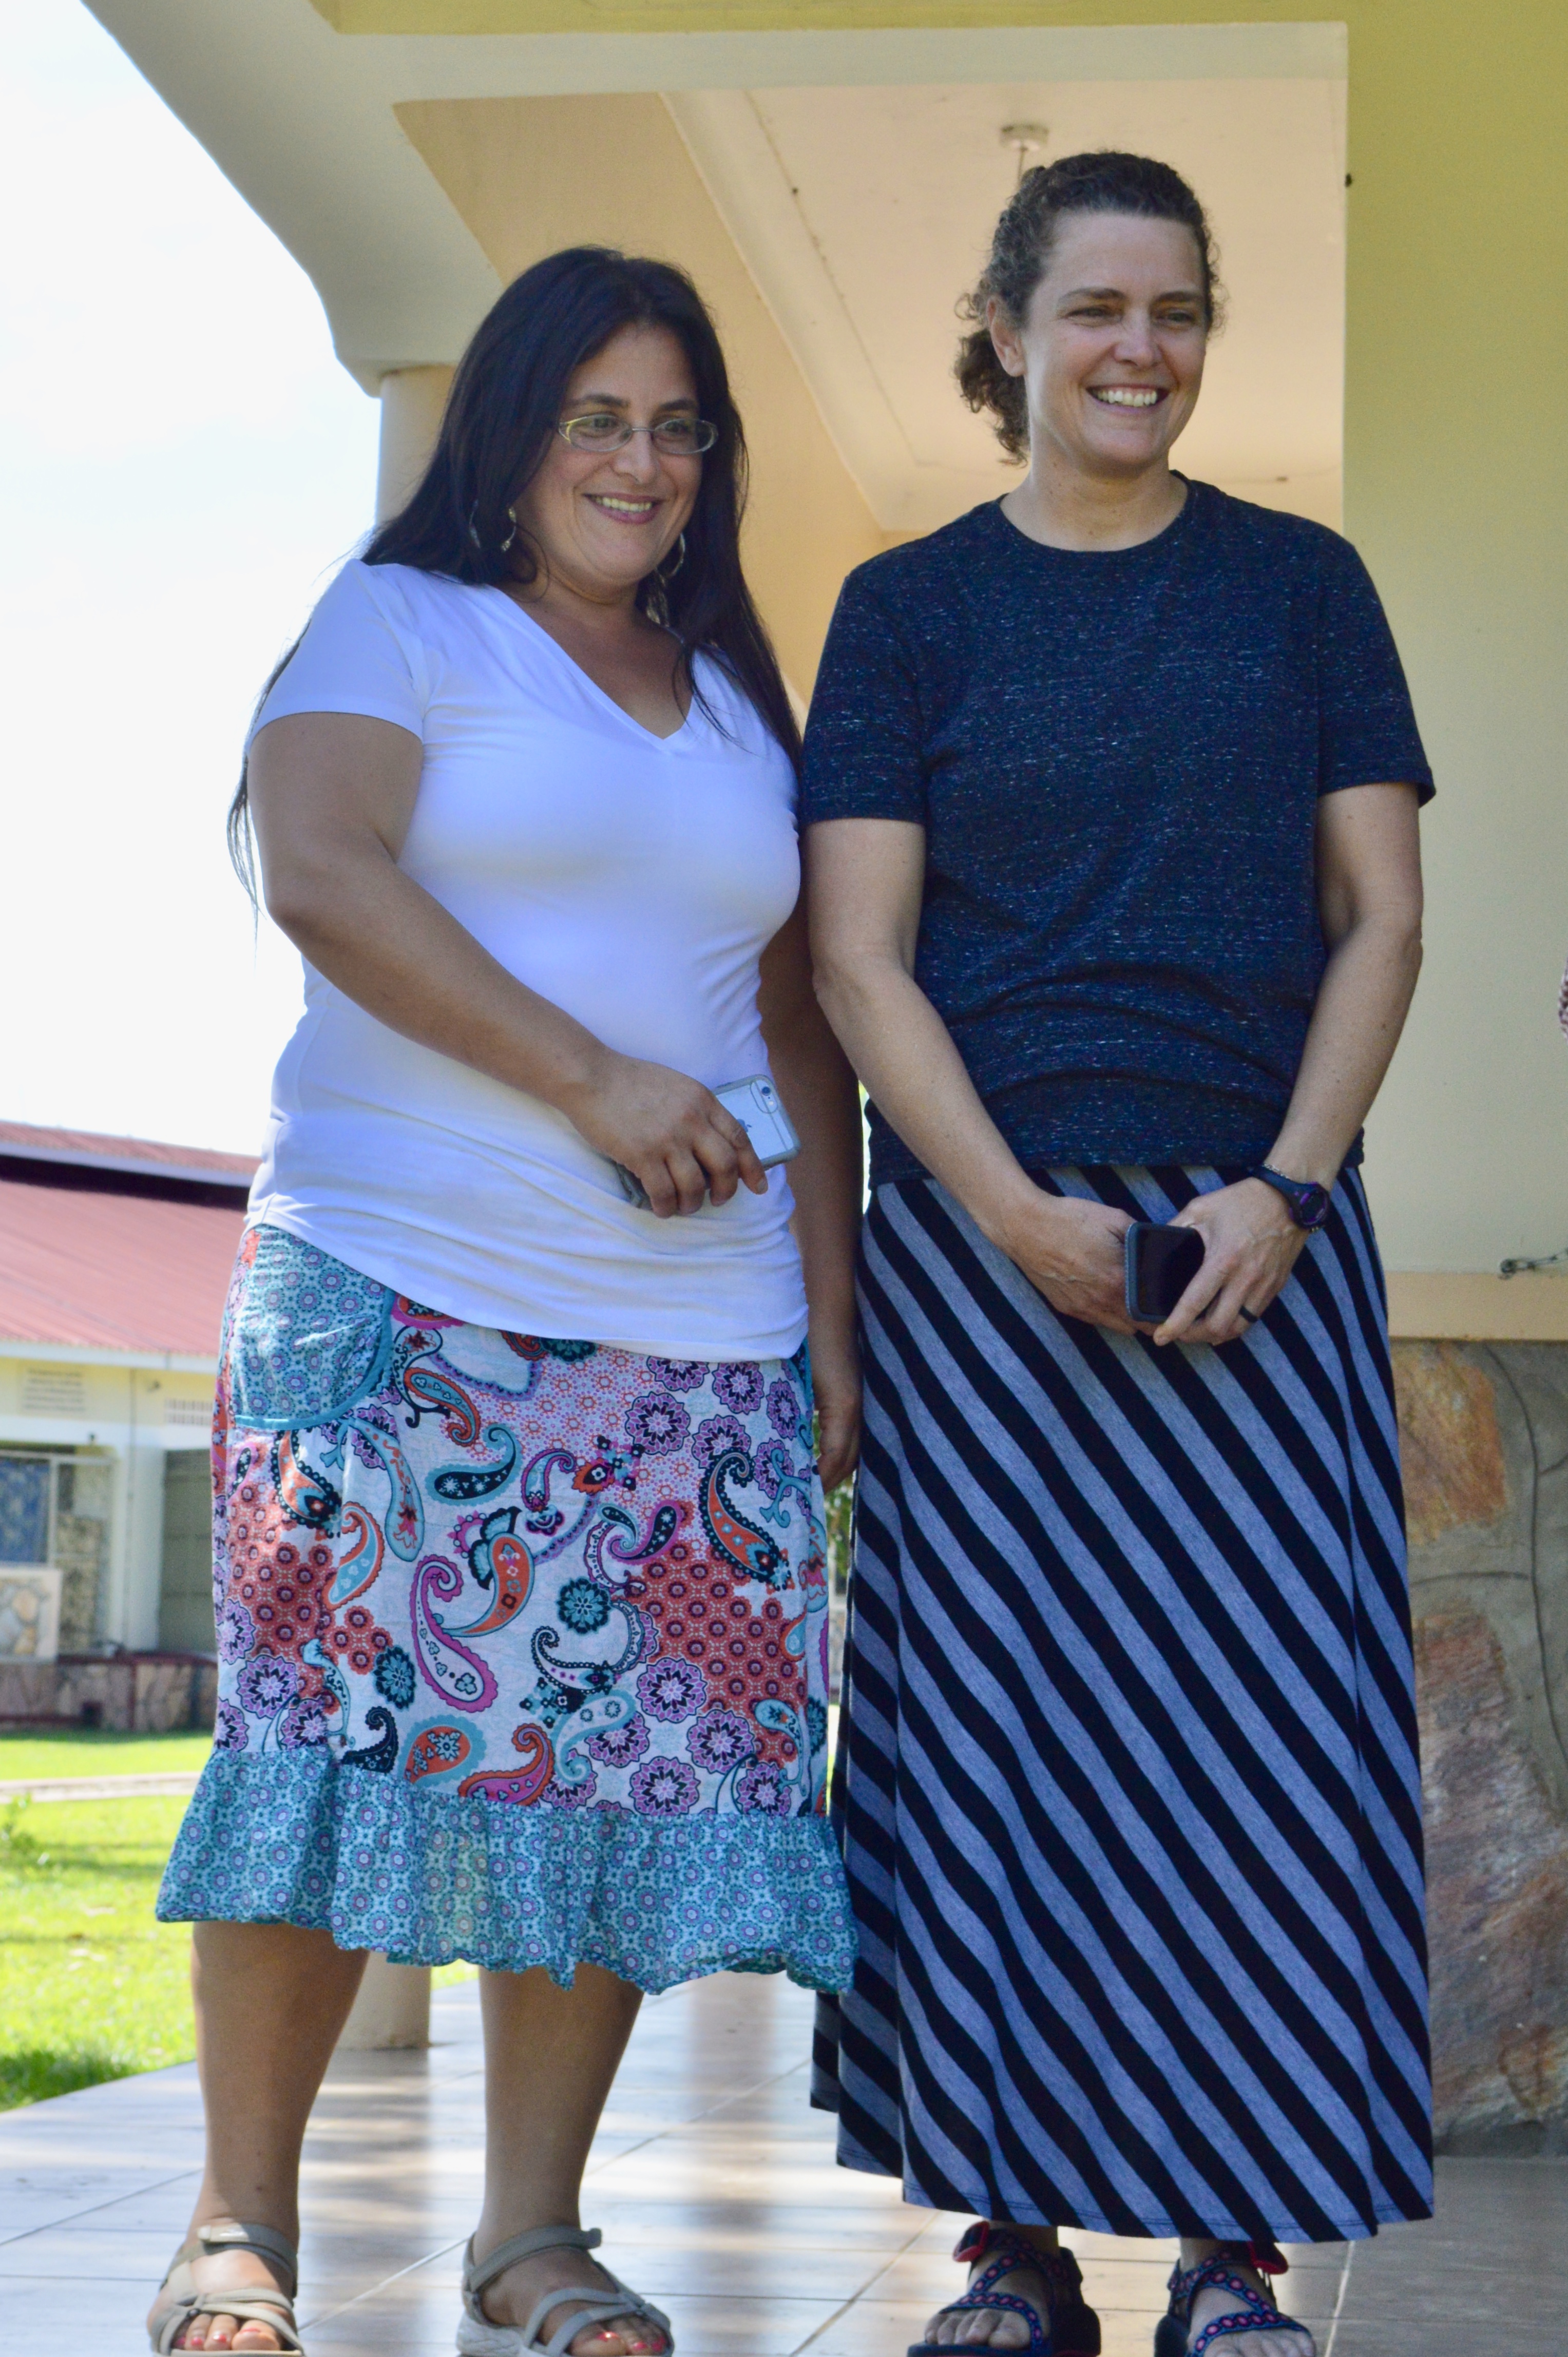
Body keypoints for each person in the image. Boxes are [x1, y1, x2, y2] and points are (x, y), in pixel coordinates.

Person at [148, 245, 862, 2357]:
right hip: (398, 1292)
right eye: (595, 419)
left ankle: (531, 2237)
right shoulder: (401, 622)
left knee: (617, 1774)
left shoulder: (731, 695)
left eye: (676, 426)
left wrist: (831, 1319)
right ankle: (236, 2229)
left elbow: (796, 1022)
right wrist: (592, 1082)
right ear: (512, 436)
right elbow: (321, 867)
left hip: (699, 1334)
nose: (640, 462)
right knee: (323, 1751)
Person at [801, 153, 1432, 2357]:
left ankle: (1233, 2258)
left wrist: (1288, 1188)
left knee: (1257, 1759)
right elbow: (860, 958)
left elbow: (1379, 920)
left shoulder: (1303, 587)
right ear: (1007, 332)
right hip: (982, 1259)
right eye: (1092, 308)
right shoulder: (905, 609)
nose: (1137, 349)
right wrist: (1002, 1215)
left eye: (1173, 310)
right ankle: (1010, 2250)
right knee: (993, 1751)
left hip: (1262, 1239)